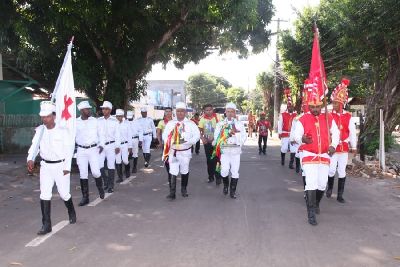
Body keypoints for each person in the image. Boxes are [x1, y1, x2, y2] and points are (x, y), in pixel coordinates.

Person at [27, 101, 76, 235]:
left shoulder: (62, 131)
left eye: (47, 116)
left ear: (54, 116)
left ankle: (71, 210)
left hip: (61, 166)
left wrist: (67, 167)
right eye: (43, 117)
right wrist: (30, 158)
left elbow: (68, 150)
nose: (44, 119)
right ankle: (46, 225)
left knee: (64, 193)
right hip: (45, 166)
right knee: (44, 194)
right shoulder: (40, 130)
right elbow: (34, 146)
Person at [293, 89, 339, 226]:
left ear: (321, 106)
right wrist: (302, 139)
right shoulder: (302, 119)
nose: (315, 109)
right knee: (311, 183)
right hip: (309, 155)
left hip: (324, 154)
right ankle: (311, 213)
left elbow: (335, 133)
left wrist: (334, 145)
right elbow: (296, 135)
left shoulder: (328, 117)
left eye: (317, 106)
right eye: (312, 107)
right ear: (309, 107)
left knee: (322, 184)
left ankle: (316, 203)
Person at [327, 79, 357, 203]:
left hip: (344, 147)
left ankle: (340, 195)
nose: (334, 105)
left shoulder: (348, 116)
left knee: (341, 170)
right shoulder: (329, 115)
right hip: (332, 147)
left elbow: (352, 132)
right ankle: (329, 189)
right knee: (331, 169)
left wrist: (353, 146)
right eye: (333, 103)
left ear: (342, 104)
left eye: (336, 103)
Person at [162, 102, 200, 200]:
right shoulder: (171, 124)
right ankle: (172, 193)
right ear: (175, 112)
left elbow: (197, 136)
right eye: (178, 111)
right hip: (173, 151)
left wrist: (189, 142)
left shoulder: (191, 124)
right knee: (172, 171)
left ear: (185, 112)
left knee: (184, 170)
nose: (180, 113)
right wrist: (170, 141)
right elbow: (164, 136)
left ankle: (184, 189)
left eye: (182, 111)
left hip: (185, 152)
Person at [213, 102, 247, 199]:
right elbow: (216, 136)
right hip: (225, 150)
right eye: (228, 111)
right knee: (224, 170)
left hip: (236, 151)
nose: (230, 113)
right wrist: (221, 139)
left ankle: (232, 191)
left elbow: (244, 136)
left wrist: (236, 134)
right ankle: (225, 185)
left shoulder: (239, 124)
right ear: (225, 112)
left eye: (232, 112)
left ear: (235, 113)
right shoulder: (220, 124)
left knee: (235, 171)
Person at [75, 101, 104, 206]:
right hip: (81, 150)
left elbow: (101, 133)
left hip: (93, 149)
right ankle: (85, 197)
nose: (89, 110)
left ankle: (100, 188)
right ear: (82, 111)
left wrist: (102, 145)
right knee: (83, 174)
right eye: (87, 109)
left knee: (96, 172)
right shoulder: (75, 122)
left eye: (89, 109)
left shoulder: (95, 121)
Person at [97, 101, 120, 193]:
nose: (104, 110)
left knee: (111, 165)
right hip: (101, 146)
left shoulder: (115, 121)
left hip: (111, 145)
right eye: (103, 109)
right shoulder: (98, 121)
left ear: (110, 110)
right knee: (99, 165)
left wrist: (117, 146)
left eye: (106, 109)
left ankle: (111, 185)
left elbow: (118, 135)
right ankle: (106, 181)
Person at [198, 104, 220, 184]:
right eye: (207, 110)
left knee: (217, 160)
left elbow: (223, 128)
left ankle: (218, 177)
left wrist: (216, 138)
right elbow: (199, 131)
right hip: (207, 143)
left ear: (212, 109)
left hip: (217, 143)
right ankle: (211, 177)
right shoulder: (202, 119)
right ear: (204, 111)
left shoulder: (218, 117)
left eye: (210, 110)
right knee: (209, 160)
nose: (209, 111)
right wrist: (203, 138)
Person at [278, 89, 298, 168]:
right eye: (289, 106)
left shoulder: (296, 115)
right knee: (284, 148)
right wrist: (279, 133)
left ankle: (291, 163)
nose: (290, 107)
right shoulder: (283, 114)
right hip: (285, 133)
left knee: (293, 149)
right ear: (287, 107)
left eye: (291, 106)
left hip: (293, 134)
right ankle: (282, 159)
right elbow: (280, 124)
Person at [157, 107, 173, 185]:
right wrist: (160, 142)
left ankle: (173, 173)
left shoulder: (175, 121)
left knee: (174, 160)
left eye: (169, 111)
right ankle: (170, 174)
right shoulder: (161, 122)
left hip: (175, 145)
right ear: (164, 113)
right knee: (167, 160)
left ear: (172, 112)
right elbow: (158, 133)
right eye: (166, 111)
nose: (168, 113)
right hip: (165, 145)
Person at [115, 109, 132, 183]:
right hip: (117, 145)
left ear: (122, 116)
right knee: (118, 161)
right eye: (117, 116)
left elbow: (129, 136)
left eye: (120, 116)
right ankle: (120, 177)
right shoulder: (114, 124)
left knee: (125, 160)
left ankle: (127, 170)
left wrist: (130, 146)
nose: (118, 117)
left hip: (125, 144)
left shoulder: (127, 124)